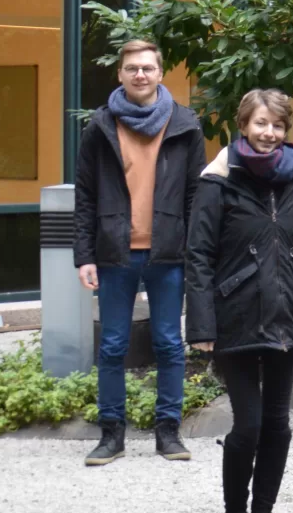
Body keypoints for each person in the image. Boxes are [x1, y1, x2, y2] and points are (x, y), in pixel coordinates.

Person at [186, 89, 293, 513]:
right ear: (243, 124)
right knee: (247, 425)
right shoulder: (218, 181)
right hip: (236, 318)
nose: (269, 133)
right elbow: (199, 257)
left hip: (288, 317)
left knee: (278, 425)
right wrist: (203, 327)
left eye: (277, 126)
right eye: (261, 124)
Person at [74, 39, 206, 467]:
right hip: (115, 253)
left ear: (160, 73)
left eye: (147, 68)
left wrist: (194, 250)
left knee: (169, 343)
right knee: (112, 346)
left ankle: (168, 431)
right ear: (120, 74)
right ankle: (111, 434)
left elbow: (194, 196)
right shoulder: (99, 127)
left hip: (168, 253)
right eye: (132, 68)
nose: (140, 75)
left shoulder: (185, 124)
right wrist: (84, 255)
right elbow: (85, 196)